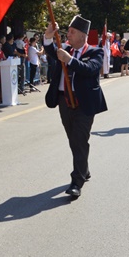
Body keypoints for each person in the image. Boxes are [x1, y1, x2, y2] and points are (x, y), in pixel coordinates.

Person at [43, 15, 107, 199]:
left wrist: (70, 60)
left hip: (84, 103)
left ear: (82, 36)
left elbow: (90, 69)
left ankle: (76, 182)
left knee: (79, 139)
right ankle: (83, 169)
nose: (68, 35)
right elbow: (50, 49)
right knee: (73, 139)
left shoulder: (95, 52)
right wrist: (48, 36)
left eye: (72, 32)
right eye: (68, 31)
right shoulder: (65, 49)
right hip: (64, 101)